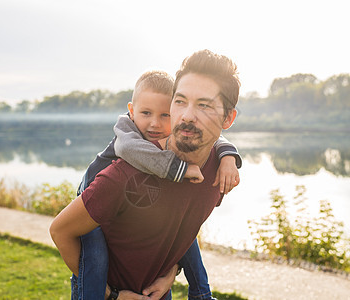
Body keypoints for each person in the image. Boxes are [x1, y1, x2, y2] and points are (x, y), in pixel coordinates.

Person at [50, 49, 240, 300]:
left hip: (157, 292)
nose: (186, 115)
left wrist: (171, 272)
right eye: (180, 101)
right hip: (93, 207)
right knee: (92, 251)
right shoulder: (125, 168)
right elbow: (61, 230)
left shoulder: (218, 172)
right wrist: (112, 295)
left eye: (204, 105)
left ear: (228, 118)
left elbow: (181, 230)